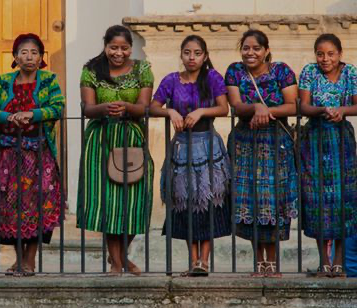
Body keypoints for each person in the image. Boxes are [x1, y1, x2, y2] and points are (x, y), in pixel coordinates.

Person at [0, 33, 64, 276]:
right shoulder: (3, 81)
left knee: (37, 205)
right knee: (10, 206)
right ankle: (18, 259)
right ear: (15, 57)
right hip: (8, 155)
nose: (29, 57)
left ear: (41, 58)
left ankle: (30, 259)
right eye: (24, 52)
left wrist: (32, 114)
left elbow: (57, 107)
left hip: (38, 154)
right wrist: (7, 117)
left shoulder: (48, 80)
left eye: (34, 52)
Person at [77, 25, 154, 276]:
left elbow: (143, 106)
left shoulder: (142, 69)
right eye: (113, 47)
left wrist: (127, 108)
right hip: (101, 140)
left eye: (124, 48)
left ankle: (120, 257)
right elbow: (87, 109)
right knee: (107, 203)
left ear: (130, 48)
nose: (118, 53)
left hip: (131, 138)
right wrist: (106, 108)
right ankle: (118, 262)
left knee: (133, 201)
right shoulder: (91, 70)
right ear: (105, 46)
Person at [151, 35, 231, 276]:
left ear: (205, 56)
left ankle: (204, 261)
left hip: (207, 145)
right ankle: (193, 260)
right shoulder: (171, 80)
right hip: (182, 147)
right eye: (187, 52)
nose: (192, 57)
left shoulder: (213, 78)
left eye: (197, 53)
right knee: (185, 202)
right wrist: (171, 111)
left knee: (208, 201)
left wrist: (201, 111)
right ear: (181, 55)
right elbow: (153, 106)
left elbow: (224, 108)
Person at [225, 29, 298, 277]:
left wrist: (265, 112)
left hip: (276, 143)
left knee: (274, 201)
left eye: (256, 48)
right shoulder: (235, 71)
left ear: (266, 50)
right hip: (246, 142)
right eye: (246, 48)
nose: (250, 53)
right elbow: (236, 106)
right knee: (251, 201)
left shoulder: (281, 71)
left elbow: (291, 105)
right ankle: (259, 262)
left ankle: (274, 263)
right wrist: (256, 107)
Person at [298, 33, 357, 277]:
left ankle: (340, 263)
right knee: (317, 199)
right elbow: (302, 105)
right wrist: (323, 110)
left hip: (341, 140)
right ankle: (324, 262)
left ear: (339, 54)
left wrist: (342, 110)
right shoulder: (309, 72)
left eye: (331, 54)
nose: (325, 59)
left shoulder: (351, 72)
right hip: (315, 138)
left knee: (345, 199)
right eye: (320, 54)